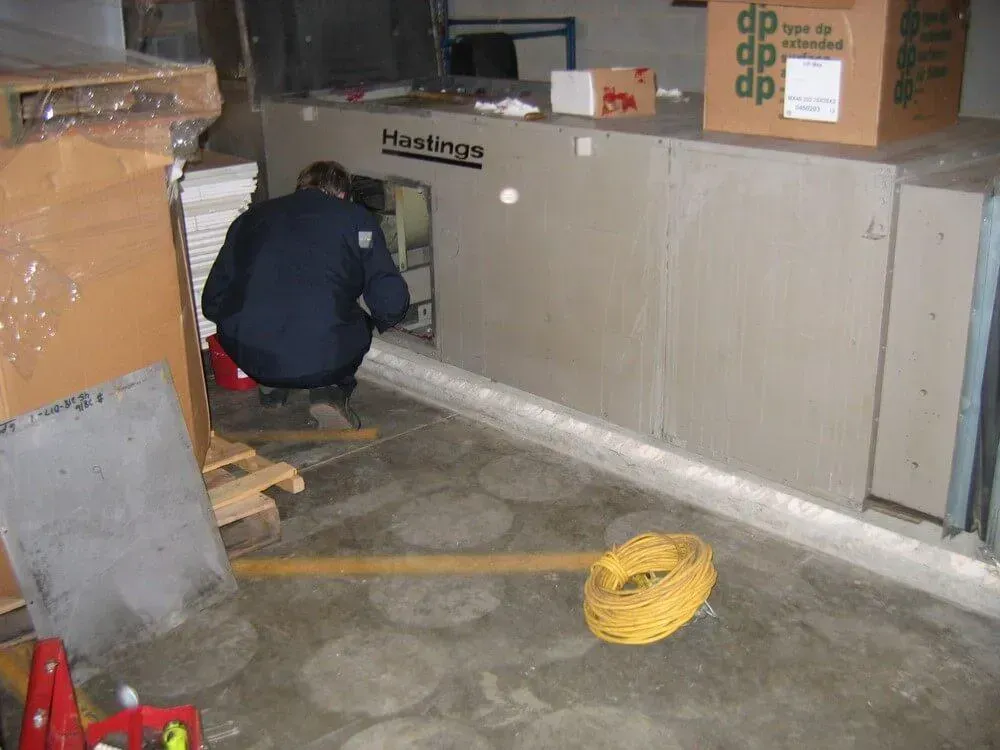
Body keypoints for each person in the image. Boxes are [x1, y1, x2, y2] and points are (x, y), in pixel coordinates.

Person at [201, 161, 410, 429]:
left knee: (277, 324)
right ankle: (330, 392)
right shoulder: (356, 219)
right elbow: (387, 295)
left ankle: (271, 384)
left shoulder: (250, 218)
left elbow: (212, 300)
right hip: (321, 354)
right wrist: (388, 317)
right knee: (353, 321)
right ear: (343, 195)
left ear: (301, 187)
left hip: (248, 354)